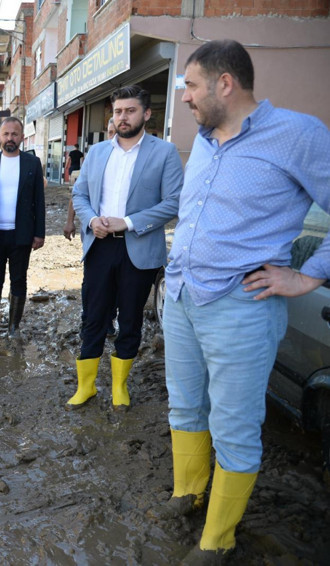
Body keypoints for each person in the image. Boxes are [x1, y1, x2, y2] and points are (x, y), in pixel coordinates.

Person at [153, 40, 330, 563]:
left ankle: (218, 540)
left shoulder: (298, 135)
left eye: (190, 86)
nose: (184, 97)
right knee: (185, 405)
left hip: (241, 306)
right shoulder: (206, 140)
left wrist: (308, 276)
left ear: (224, 83)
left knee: (234, 423)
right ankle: (189, 493)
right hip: (183, 294)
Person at [68, 85, 183, 411]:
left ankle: (119, 386)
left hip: (140, 247)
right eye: (118, 111)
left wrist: (128, 222)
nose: (122, 117)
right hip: (100, 246)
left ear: (146, 114)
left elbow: (173, 202)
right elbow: (80, 195)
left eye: (130, 111)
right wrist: (91, 221)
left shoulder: (164, 153)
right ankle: (86, 387)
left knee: (130, 319)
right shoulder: (98, 152)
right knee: (92, 316)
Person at [0, 116, 45, 342]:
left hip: (21, 234)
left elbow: (39, 201)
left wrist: (39, 232)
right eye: (6, 134)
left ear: (22, 137)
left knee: (18, 280)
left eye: (15, 134)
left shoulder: (32, 163)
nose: (10, 138)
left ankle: (14, 327)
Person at [65, 119, 119, 338]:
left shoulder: (132, 163)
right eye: (110, 132)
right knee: (92, 281)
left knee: (116, 282)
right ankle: (88, 319)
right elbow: (78, 195)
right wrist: (70, 221)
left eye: (117, 132)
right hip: (94, 232)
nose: (113, 137)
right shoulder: (94, 158)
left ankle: (109, 320)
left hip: (123, 235)